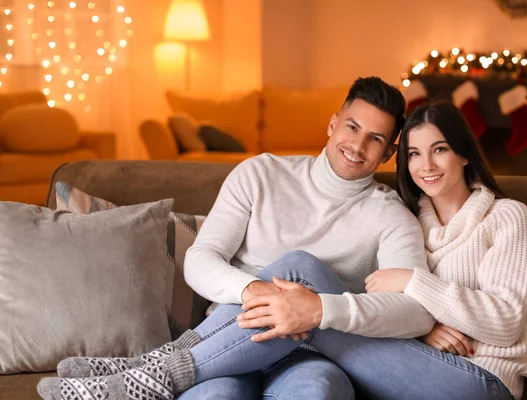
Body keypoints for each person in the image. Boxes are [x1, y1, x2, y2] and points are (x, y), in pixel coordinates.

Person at [38, 76, 436, 400]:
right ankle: (160, 371)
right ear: (333, 124)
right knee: (217, 398)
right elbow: (201, 257)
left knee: (320, 392)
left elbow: (415, 311)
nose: (358, 145)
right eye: (352, 127)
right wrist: (254, 290)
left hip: (312, 351)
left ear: (388, 153)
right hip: (224, 342)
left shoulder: (391, 216)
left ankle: (154, 368)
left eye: (376, 139)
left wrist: (317, 309)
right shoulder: (260, 174)